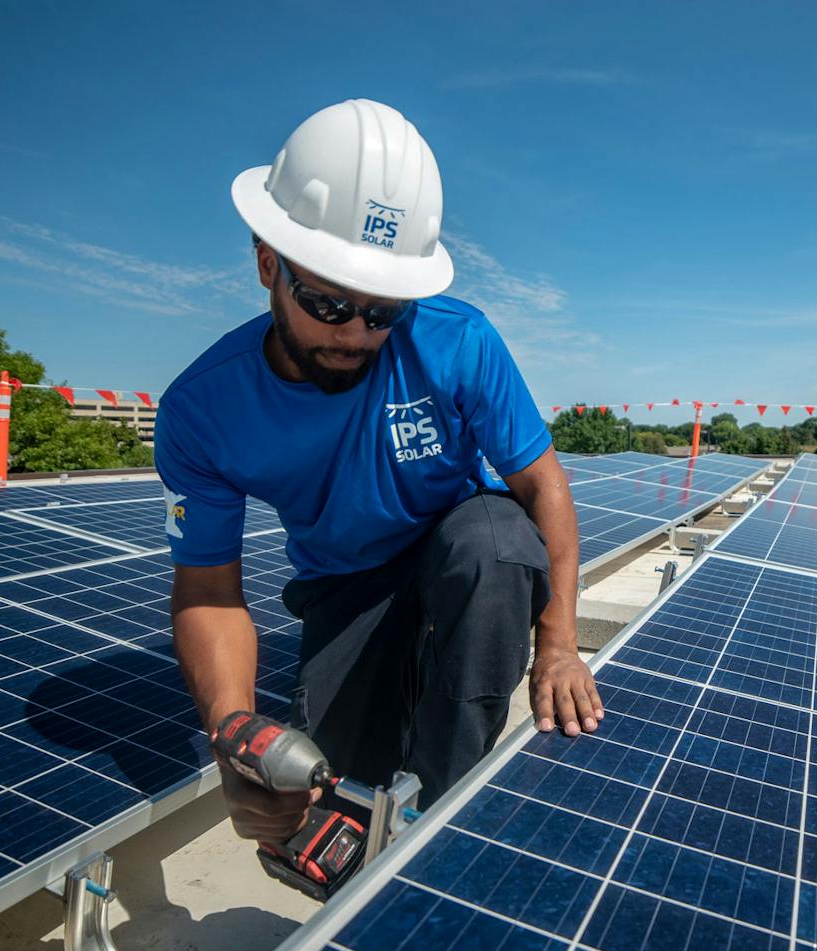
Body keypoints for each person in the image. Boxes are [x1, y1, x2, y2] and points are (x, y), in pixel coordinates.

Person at [154, 99, 602, 852]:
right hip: (349, 581)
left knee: (494, 543)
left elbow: (542, 487)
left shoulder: (459, 341)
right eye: (329, 302)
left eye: (384, 310)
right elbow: (207, 589)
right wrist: (233, 729)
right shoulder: (204, 410)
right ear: (268, 262)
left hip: (456, 549)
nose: (357, 334)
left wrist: (558, 641)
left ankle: (440, 833)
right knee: (327, 809)